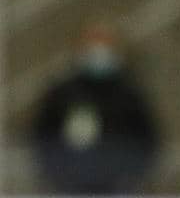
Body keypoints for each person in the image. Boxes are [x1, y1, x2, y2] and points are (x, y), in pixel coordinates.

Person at [32, 19, 160, 194]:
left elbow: (147, 141)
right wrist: (61, 177)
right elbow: (43, 139)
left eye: (105, 43)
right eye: (93, 42)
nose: (99, 51)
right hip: (69, 188)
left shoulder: (131, 95)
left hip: (119, 188)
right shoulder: (61, 94)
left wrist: (128, 177)